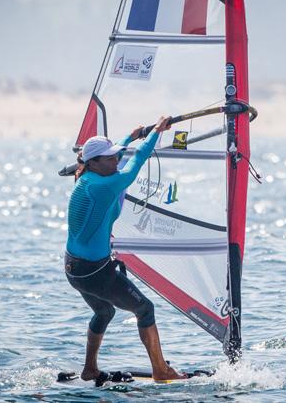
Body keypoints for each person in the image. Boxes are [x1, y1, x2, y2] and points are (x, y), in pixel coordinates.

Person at [64, 116, 186, 383]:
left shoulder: (88, 176)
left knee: (104, 312)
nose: (115, 160)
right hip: (94, 272)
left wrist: (129, 137)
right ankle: (160, 370)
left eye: (114, 156)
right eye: (108, 159)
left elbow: (113, 153)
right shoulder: (103, 186)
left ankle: (90, 369)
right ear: (94, 163)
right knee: (145, 309)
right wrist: (156, 132)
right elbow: (137, 162)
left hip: (74, 268)